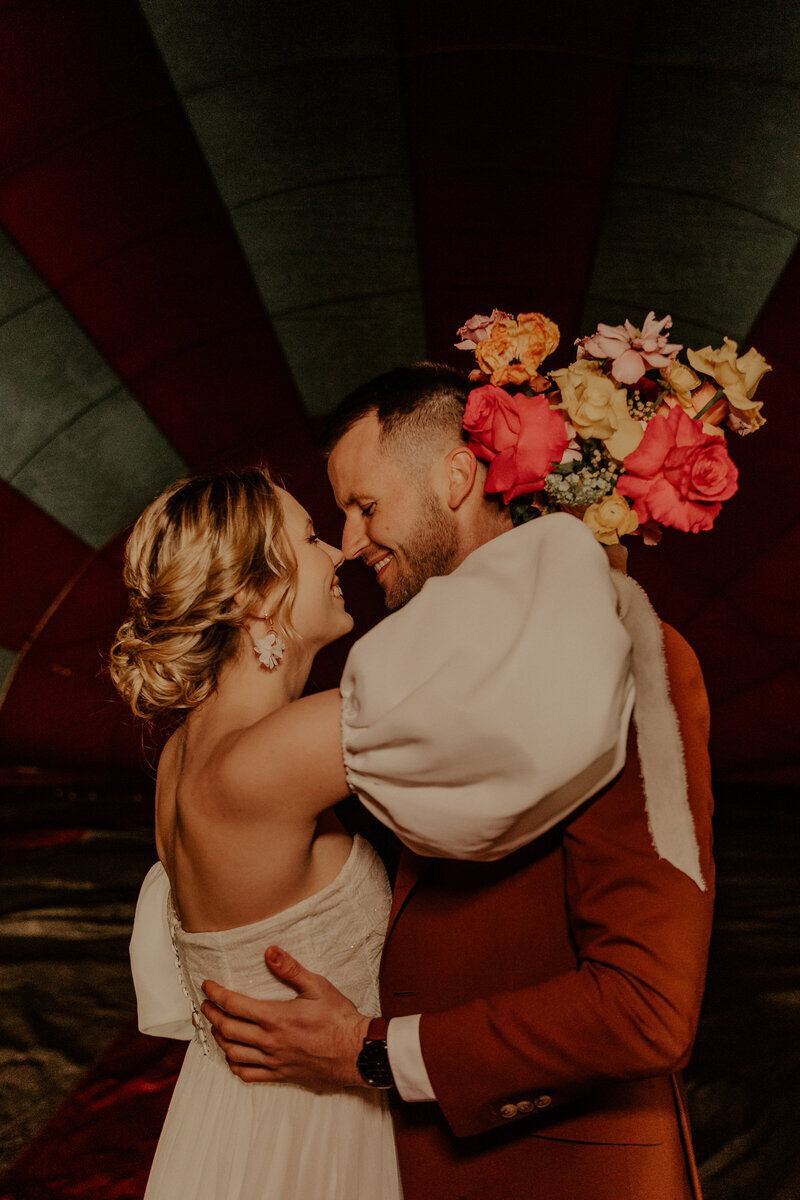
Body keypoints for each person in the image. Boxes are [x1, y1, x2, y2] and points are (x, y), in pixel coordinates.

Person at [200, 364, 716, 1200]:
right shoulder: (416, 680)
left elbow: (645, 1007)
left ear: (456, 475)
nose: (353, 540)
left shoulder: (632, 654)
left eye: (367, 506)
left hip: (566, 1175)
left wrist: (369, 1050)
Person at [116, 459, 636, 1199]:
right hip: (312, 1138)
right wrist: (585, 537)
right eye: (309, 540)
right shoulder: (268, 756)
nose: (339, 554)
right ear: (256, 594)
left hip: (229, 1125)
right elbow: (507, 715)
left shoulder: (188, 753)